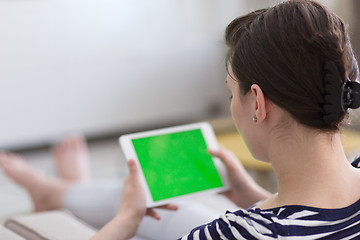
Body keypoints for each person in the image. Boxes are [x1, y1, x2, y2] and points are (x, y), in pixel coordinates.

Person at [2, 0, 360, 239]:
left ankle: (55, 191)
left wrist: (125, 221)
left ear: (258, 105)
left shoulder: (233, 233)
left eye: (230, 92)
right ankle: (60, 191)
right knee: (182, 204)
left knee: (148, 207)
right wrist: (254, 197)